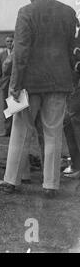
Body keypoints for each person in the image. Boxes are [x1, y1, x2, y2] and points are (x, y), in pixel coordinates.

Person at [0, 0, 78, 198]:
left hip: (29, 84)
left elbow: (21, 53)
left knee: (21, 130)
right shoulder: (68, 12)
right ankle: (51, 185)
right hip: (59, 82)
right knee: (53, 133)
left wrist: (14, 84)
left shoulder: (25, 12)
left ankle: (11, 180)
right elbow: (72, 51)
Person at [63, 34, 80, 179]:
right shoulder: (74, 37)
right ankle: (75, 163)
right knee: (68, 123)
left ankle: (76, 165)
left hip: (76, 88)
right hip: (73, 87)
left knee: (73, 123)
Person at [0, 34, 14, 137]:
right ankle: (7, 130)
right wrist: (0, 83)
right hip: (5, 84)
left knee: (18, 107)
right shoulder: (1, 55)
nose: (9, 43)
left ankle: (17, 132)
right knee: (7, 108)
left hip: (16, 84)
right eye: (7, 41)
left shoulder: (18, 53)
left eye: (11, 41)